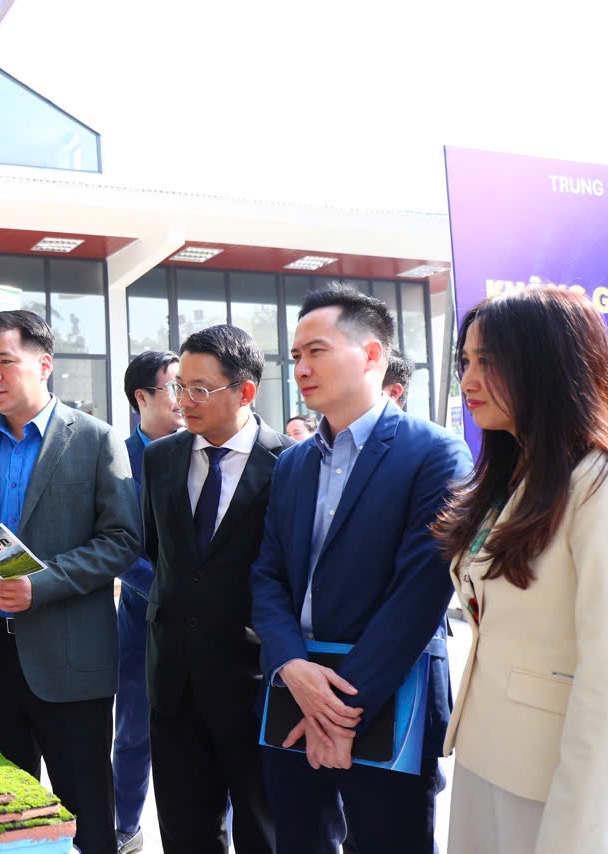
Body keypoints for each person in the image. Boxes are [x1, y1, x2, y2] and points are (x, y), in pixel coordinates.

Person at [249, 287, 472, 853]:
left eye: (316, 351)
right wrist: (291, 666)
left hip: (390, 692)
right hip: (295, 689)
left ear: (372, 354)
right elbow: (268, 575)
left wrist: (339, 711)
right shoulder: (292, 463)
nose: (300, 368)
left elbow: (417, 595)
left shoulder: (435, 454)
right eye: (295, 356)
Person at [0, 310, 141, 853]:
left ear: (44, 364)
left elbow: (122, 540)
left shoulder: (95, 439)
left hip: (70, 662)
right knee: (4, 817)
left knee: (85, 814)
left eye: (5, 361)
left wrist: (40, 584)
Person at [436, 287, 608, 853]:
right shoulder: (514, 474)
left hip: (549, 777)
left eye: (488, 361)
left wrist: (577, 825)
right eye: (465, 361)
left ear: (547, 363)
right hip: (484, 754)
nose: (467, 381)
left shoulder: (596, 483)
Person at [141, 326, 289, 854]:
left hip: (255, 682)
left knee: (264, 829)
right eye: (179, 386)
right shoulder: (160, 458)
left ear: (245, 391)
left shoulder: (290, 463)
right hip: (173, 679)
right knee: (185, 832)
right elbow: (157, 550)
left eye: (200, 389)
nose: (184, 401)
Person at [114, 350, 185, 854]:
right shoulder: (116, 461)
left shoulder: (202, 449)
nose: (186, 396)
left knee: (207, 733)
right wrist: (169, 592)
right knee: (134, 733)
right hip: (142, 620)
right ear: (142, 397)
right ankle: (125, 826)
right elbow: (118, 548)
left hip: (207, 624)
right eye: (175, 386)